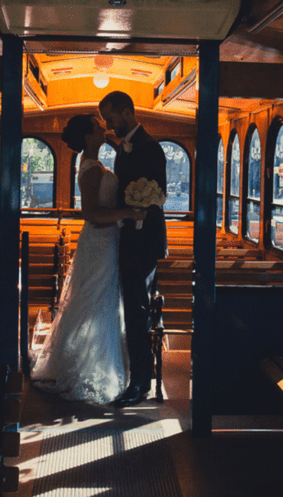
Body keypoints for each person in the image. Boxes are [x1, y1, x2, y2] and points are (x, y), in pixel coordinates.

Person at [31, 114, 145, 404]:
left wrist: (116, 145)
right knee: (97, 301)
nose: (103, 126)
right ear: (88, 137)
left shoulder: (96, 161)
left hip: (106, 241)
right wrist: (129, 213)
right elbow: (93, 215)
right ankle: (87, 369)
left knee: (100, 300)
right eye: (97, 125)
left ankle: (99, 365)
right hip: (100, 241)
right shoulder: (92, 169)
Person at [99, 90, 168, 407]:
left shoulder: (150, 148)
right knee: (132, 310)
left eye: (111, 118)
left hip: (143, 241)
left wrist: (135, 212)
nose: (109, 125)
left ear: (127, 113)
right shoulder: (126, 147)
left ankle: (140, 382)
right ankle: (137, 376)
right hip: (130, 237)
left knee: (138, 312)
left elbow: (155, 196)